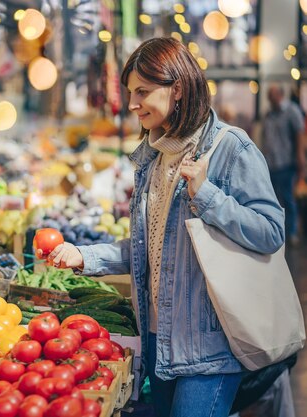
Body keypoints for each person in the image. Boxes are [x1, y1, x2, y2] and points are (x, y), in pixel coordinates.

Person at [42, 37, 285, 417]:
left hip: (211, 347)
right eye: (130, 92)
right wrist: (83, 255)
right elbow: (149, 249)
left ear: (179, 89)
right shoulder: (153, 158)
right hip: (159, 340)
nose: (132, 103)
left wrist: (207, 197)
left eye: (143, 92)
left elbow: (271, 231)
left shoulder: (231, 149)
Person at [261, 84, 305, 245]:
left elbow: (300, 133)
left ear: (280, 94)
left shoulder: (292, 111)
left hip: (287, 163)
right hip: (271, 164)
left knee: (289, 199)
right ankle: (278, 234)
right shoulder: (268, 114)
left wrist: (300, 157)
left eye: (272, 95)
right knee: (274, 201)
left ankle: (292, 232)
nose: (270, 98)